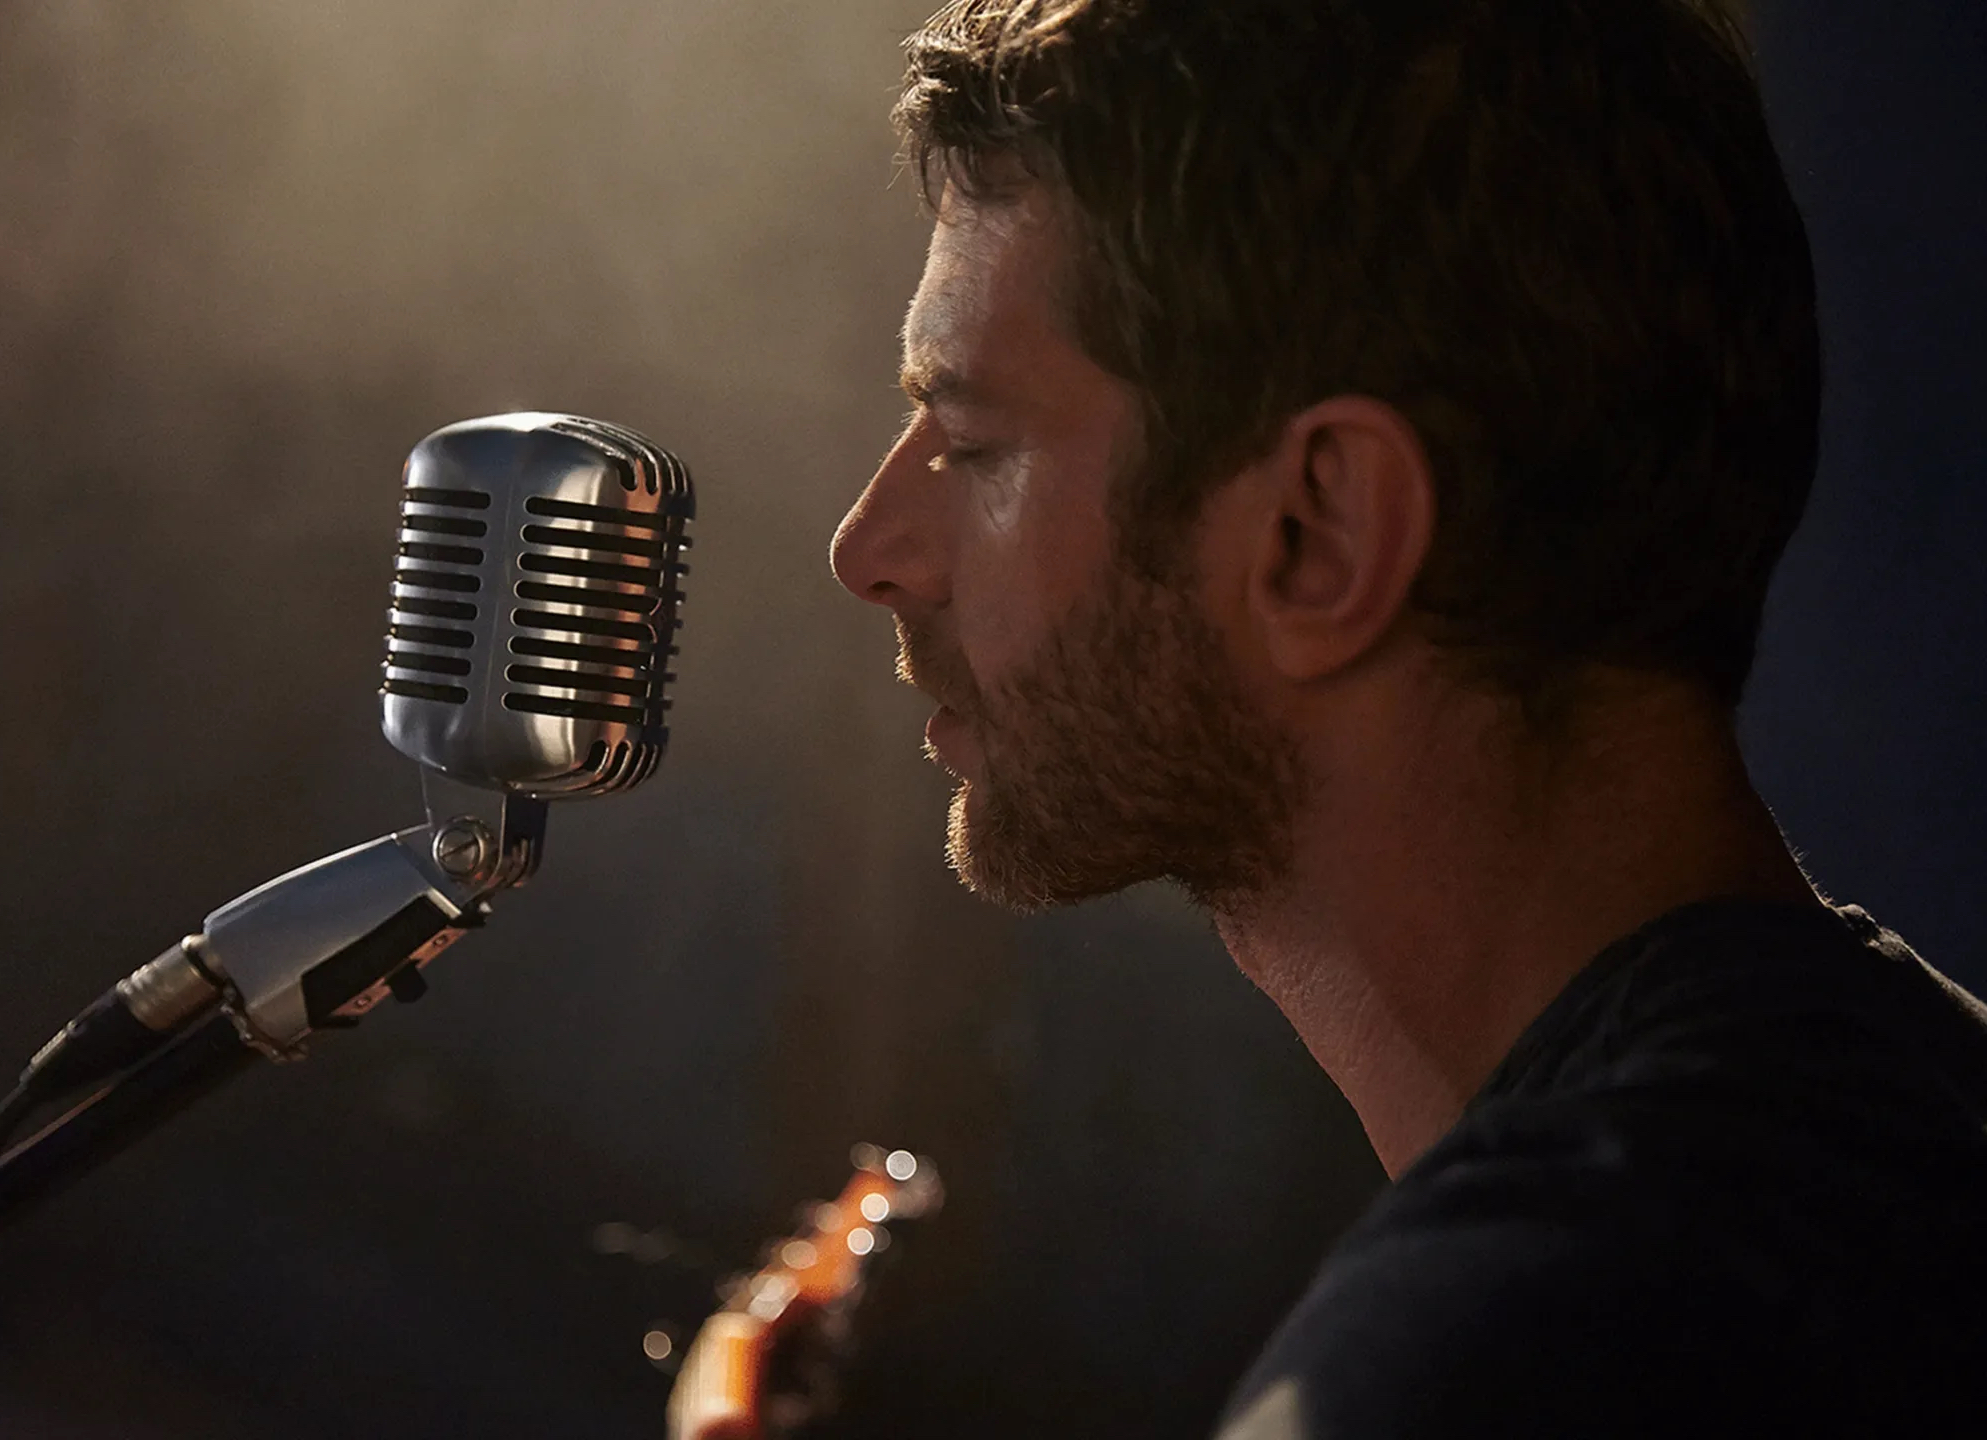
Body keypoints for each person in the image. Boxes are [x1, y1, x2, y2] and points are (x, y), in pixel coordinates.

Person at [824, 0, 1987, 1434]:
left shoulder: (1533, 1337)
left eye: (978, 444)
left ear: (1322, 531)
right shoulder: (1884, 1143)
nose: (869, 545)